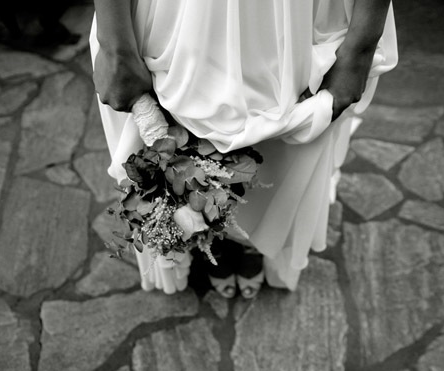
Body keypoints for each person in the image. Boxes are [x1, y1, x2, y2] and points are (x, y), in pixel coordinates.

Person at [90, 0, 398, 297]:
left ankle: (251, 237)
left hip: (292, 13)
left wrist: (361, 48)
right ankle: (214, 235)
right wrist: (116, 46)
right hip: (179, 13)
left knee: (283, 117)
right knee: (177, 129)